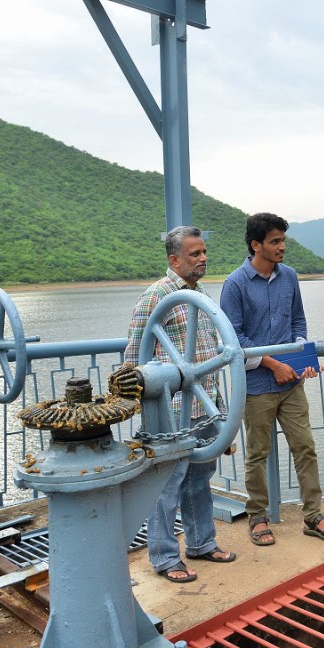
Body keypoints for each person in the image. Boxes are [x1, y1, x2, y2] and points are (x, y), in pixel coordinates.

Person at [219, 212, 324, 546]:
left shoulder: (289, 276)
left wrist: (303, 359)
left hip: (292, 384)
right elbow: (235, 340)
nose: (282, 247)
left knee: (305, 447)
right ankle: (258, 517)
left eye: (283, 240)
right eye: (275, 241)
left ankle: (313, 516)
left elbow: (298, 323)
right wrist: (274, 364)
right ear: (255, 244)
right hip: (257, 386)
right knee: (258, 452)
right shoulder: (235, 284)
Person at [124, 225, 236, 584]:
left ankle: (202, 543)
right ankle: (165, 557)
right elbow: (134, 359)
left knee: (200, 479)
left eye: (204, 252)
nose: (203, 259)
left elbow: (210, 356)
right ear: (174, 259)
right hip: (170, 414)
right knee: (165, 486)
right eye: (195, 254)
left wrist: (219, 409)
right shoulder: (156, 296)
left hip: (203, 407)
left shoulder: (200, 293)